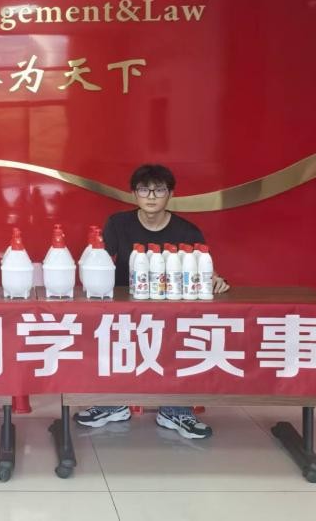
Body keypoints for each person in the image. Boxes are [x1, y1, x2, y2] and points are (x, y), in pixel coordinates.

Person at [74, 164, 230, 439]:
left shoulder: (187, 231)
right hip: (123, 309)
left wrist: (216, 280)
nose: (151, 196)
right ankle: (113, 404)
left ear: (171, 194)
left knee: (183, 339)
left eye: (159, 190)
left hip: (172, 312)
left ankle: (175, 410)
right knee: (106, 335)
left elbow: (203, 269)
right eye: (144, 190)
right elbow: (98, 263)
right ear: (134, 193)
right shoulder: (118, 224)